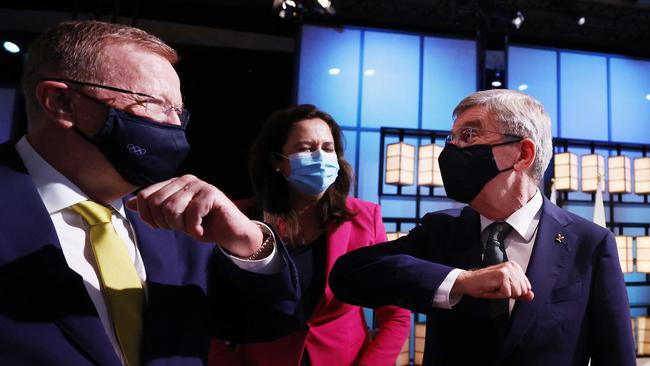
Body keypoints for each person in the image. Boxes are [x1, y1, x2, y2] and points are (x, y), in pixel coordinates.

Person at [0, 20, 301, 365]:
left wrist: (248, 244)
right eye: (153, 103)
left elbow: (269, 323)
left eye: (179, 111)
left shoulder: (181, 222)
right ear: (61, 101)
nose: (174, 126)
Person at [330, 89, 636, 366]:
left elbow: (616, 357)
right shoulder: (441, 230)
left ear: (523, 154)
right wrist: (460, 281)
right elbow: (347, 276)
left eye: (469, 135)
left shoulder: (589, 242)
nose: (451, 150)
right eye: (453, 138)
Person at [209, 105, 411, 366]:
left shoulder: (365, 217)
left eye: (328, 148)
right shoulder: (240, 217)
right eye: (306, 148)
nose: (320, 156)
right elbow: (215, 306)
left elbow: (396, 313)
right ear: (277, 160)